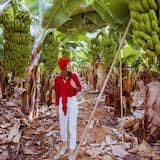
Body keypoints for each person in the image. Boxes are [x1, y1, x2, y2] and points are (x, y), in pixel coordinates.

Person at [54, 57, 81, 160]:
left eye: (70, 64)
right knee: (63, 125)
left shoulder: (74, 76)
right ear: (63, 67)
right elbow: (57, 94)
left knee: (72, 126)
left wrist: (74, 86)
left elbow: (79, 88)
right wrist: (56, 106)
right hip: (62, 102)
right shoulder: (57, 79)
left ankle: (71, 149)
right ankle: (64, 145)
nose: (70, 66)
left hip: (73, 101)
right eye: (68, 65)